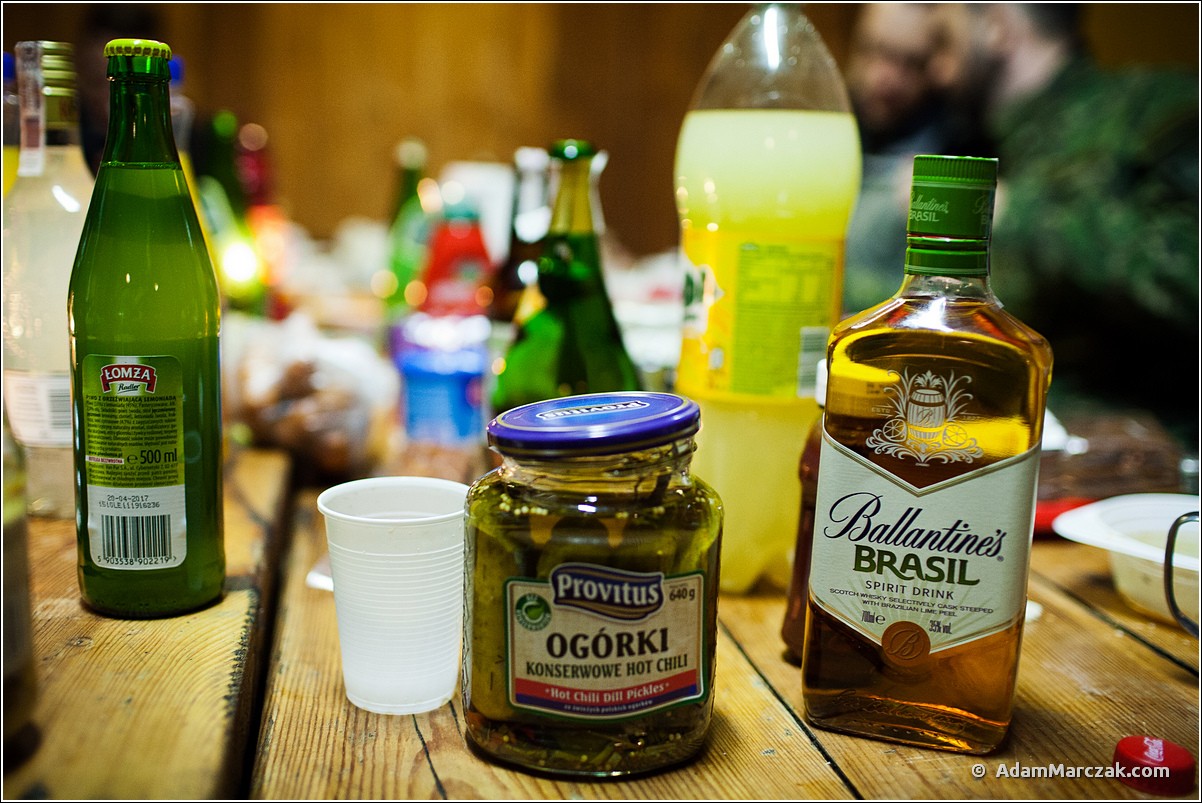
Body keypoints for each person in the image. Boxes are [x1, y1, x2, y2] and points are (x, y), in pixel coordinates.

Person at [940, 3, 1199, 448]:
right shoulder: (986, 138)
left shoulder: (1156, 110)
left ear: (997, 27)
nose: (938, 71)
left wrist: (1017, 213)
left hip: (1134, 458)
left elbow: (1187, 272)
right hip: (1003, 441)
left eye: (944, 43)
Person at [841, 3, 960, 314]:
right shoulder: (826, 128)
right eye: (873, 49)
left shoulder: (958, 146)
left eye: (911, 63)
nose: (885, 76)